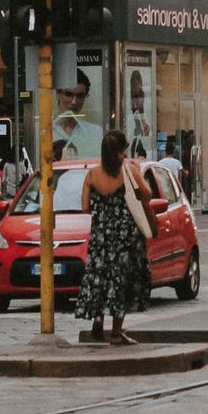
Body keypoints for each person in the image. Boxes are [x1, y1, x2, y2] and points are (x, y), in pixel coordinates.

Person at [74, 130, 153, 346]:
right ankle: (117, 333)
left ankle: (98, 318)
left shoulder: (92, 175)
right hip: (125, 236)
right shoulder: (128, 171)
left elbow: (84, 208)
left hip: (100, 235)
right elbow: (147, 194)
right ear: (120, 152)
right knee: (122, 280)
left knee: (99, 277)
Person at [53, 71, 104, 158]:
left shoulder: (96, 133)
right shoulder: (44, 132)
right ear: (58, 94)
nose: (74, 102)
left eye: (80, 96)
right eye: (68, 94)